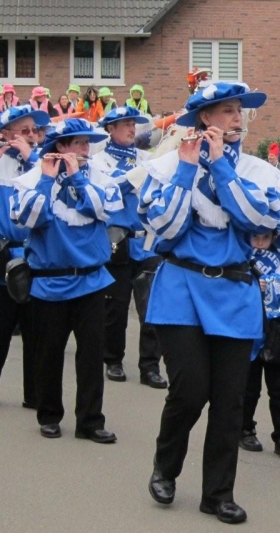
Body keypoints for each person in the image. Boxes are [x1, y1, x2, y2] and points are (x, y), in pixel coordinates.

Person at [140, 82, 280, 524]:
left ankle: (218, 494)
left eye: (240, 111)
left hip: (235, 294)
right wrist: (187, 171)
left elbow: (259, 220)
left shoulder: (258, 170)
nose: (238, 118)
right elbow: (164, 226)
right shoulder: (166, 166)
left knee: (229, 401)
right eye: (228, 111)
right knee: (189, 391)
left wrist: (221, 167)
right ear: (205, 118)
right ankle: (165, 468)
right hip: (181, 290)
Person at [11, 118, 123, 444]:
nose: (86, 149)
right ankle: (49, 415)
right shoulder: (33, 178)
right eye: (78, 143)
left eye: (88, 143)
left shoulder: (99, 177)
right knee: (48, 354)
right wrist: (47, 180)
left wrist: (76, 177)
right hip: (50, 284)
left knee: (91, 357)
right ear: (61, 147)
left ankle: (90, 421)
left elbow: (107, 210)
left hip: (91, 282)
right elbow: (28, 219)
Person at [91, 106, 167, 389]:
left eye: (133, 124)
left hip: (147, 241)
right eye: (124, 124)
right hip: (118, 239)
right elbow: (108, 189)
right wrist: (136, 174)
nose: (131, 128)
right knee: (116, 305)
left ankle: (150, 366)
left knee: (151, 307)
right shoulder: (99, 161)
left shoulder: (146, 158)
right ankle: (113, 359)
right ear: (110, 129)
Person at [239, 229, 280, 459]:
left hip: (276, 335)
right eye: (255, 236)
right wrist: (251, 287)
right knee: (249, 388)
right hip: (250, 333)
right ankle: (245, 429)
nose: (259, 242)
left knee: (278, 389)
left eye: (265, 237)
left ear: (274, 238)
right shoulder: (241, 259)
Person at [0, 105, 49, 409]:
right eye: (24, 130)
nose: (32, 135)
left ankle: (35, 396)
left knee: (38, 336)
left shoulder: (41, 163)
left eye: (35, 130)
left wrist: (32, 158)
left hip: (37, 259)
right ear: (6, 134)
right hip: (5, 258)